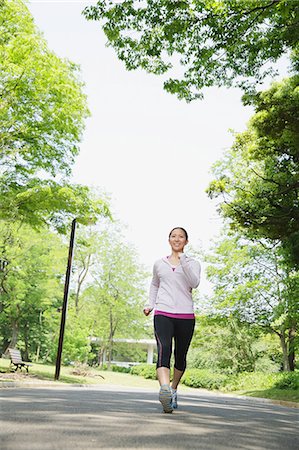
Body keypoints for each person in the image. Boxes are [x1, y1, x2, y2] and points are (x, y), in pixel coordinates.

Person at [143, 227, 201, 413]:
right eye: (174, 236)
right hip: (163, 312)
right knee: (164, 350)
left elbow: (194, 283)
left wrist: (183, 261)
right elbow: (154, 284)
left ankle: (174, 388)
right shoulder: (159, 264)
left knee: (180, 356)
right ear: (169, 240)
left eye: (181, 237)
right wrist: (150, 304)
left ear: (186, 241)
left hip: (186, 315)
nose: (177, 239)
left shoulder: (193, 263)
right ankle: (164, 389)